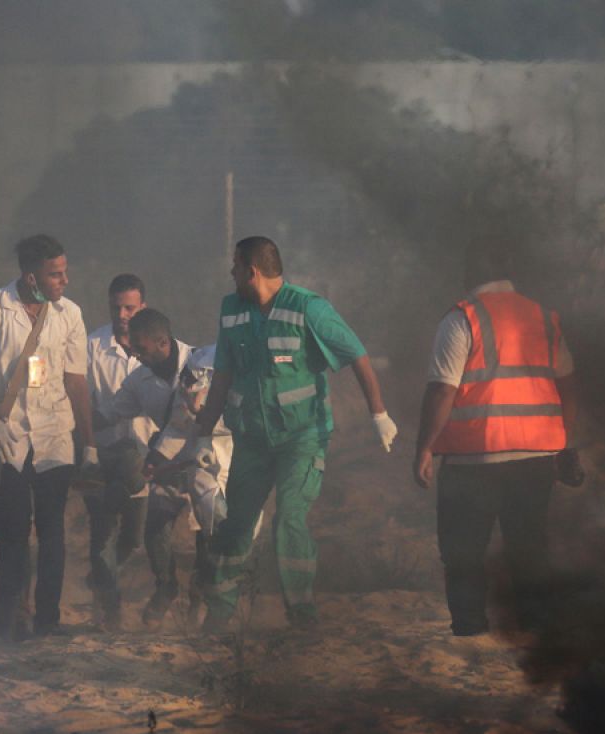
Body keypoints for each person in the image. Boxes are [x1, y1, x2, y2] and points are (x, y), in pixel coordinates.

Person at [184, 236, 397, 630]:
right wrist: (201, 434)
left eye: (235, 268)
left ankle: (302, 618)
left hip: (302, 438)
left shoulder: (308, 308)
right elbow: (224, 376)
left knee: (289, 520)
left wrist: (379, 414)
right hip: (251, 439)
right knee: (235, 526)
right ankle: (218, 616)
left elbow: (357, 355)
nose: (230, 275)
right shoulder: (231, 310)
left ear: (252, 271)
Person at [411, 251, 581, 637]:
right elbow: (568, 384)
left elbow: (442, 391)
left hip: (474, 458)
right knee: (529, 549)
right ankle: (535, 627)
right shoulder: (542, 316)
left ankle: (470, 628)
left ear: (469, 273)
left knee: (463, 551)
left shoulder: (462, 317)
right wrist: (562, 441)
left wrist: (424, 447)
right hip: (536, 457)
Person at [0, 234, 96, 640]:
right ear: (31, 277)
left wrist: (91, 443)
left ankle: (47, 621)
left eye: (65, 272)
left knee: (52, 533)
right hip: (7, 435)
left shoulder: (70, 314)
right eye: (55, 275)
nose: (64, 281)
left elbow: (76, 380)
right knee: (14, 528)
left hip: (54, 434)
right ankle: (8, 618)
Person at [111, 308, 233, 627]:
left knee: (209, 530)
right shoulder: (137, 381)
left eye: (141, 348)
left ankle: (201, 593)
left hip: (210, 460)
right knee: (155, 521)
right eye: (133, 348)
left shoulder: (202, 366)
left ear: (163, 342)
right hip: (169, 462)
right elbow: (115, 413)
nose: (135, 355)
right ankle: (166, 586)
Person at [82, 274, 153, 630]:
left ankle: (100, 579)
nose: (122, 314)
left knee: (134, 537)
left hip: (143, 458)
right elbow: (80, 401)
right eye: (116, 307)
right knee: (103, 533)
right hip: (103, 454)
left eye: (129, 307)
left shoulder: (158, 347)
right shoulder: (91, 347)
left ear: (143, 307)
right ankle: (110, 606)